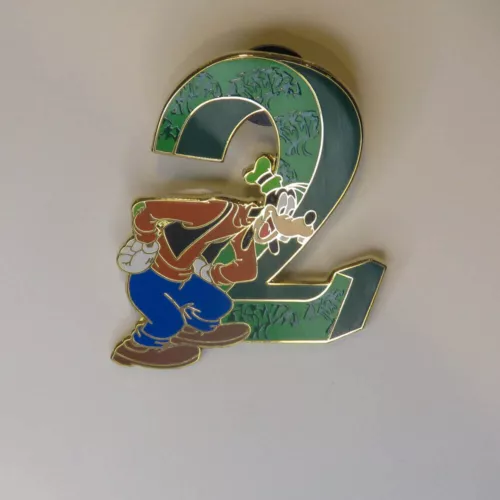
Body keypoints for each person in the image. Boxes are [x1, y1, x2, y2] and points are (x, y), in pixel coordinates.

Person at [112, 156, 316, 368]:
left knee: (219, 304)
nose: (270, 236)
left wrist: (211, 273)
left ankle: (193, 331)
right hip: (149, 279)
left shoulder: (244, 229)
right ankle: (137, 347)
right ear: (266, 207)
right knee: (170, 322)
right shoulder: (216, 211)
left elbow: (246, 270)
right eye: (274, 226)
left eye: (276, 236)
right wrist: (146, 243)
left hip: (181, 280)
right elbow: (148, 210)